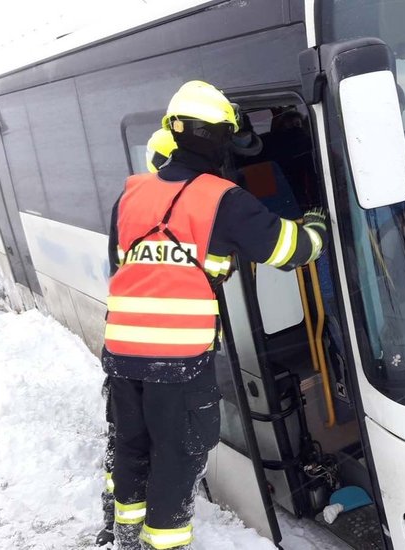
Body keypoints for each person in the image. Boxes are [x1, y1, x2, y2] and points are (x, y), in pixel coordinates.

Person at [104, 81, 326, 550]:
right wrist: (319, 223)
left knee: (131, 445)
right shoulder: (223, 198)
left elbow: (123, 264)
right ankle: (163, 543)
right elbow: (290, 250)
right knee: (178, 454)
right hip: (178, 357)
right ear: (225, 139)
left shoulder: (131, 193)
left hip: (122, 351)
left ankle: (124, 533)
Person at [96, 128, 179, 547]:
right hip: (155, 350)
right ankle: (134, 529)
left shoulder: (128, 202)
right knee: (153, 442)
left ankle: (118, 526)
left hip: (122, 343)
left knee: (125, 441)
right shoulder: (175, 206)